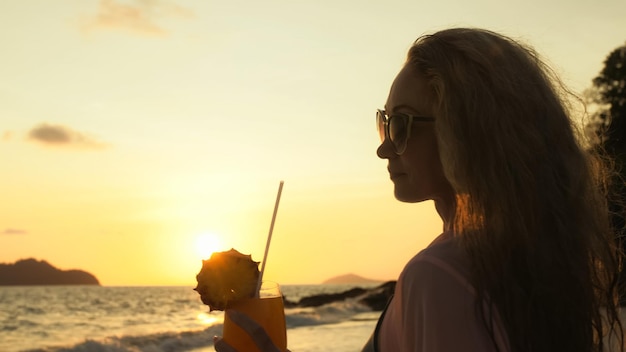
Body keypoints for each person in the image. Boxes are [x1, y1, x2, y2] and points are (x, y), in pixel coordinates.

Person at [215, 27, 625, 352]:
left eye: (402, 124)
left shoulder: (439, 274)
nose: (383, 147)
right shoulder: (532, 256)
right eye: (385, 121)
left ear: (465, 134)